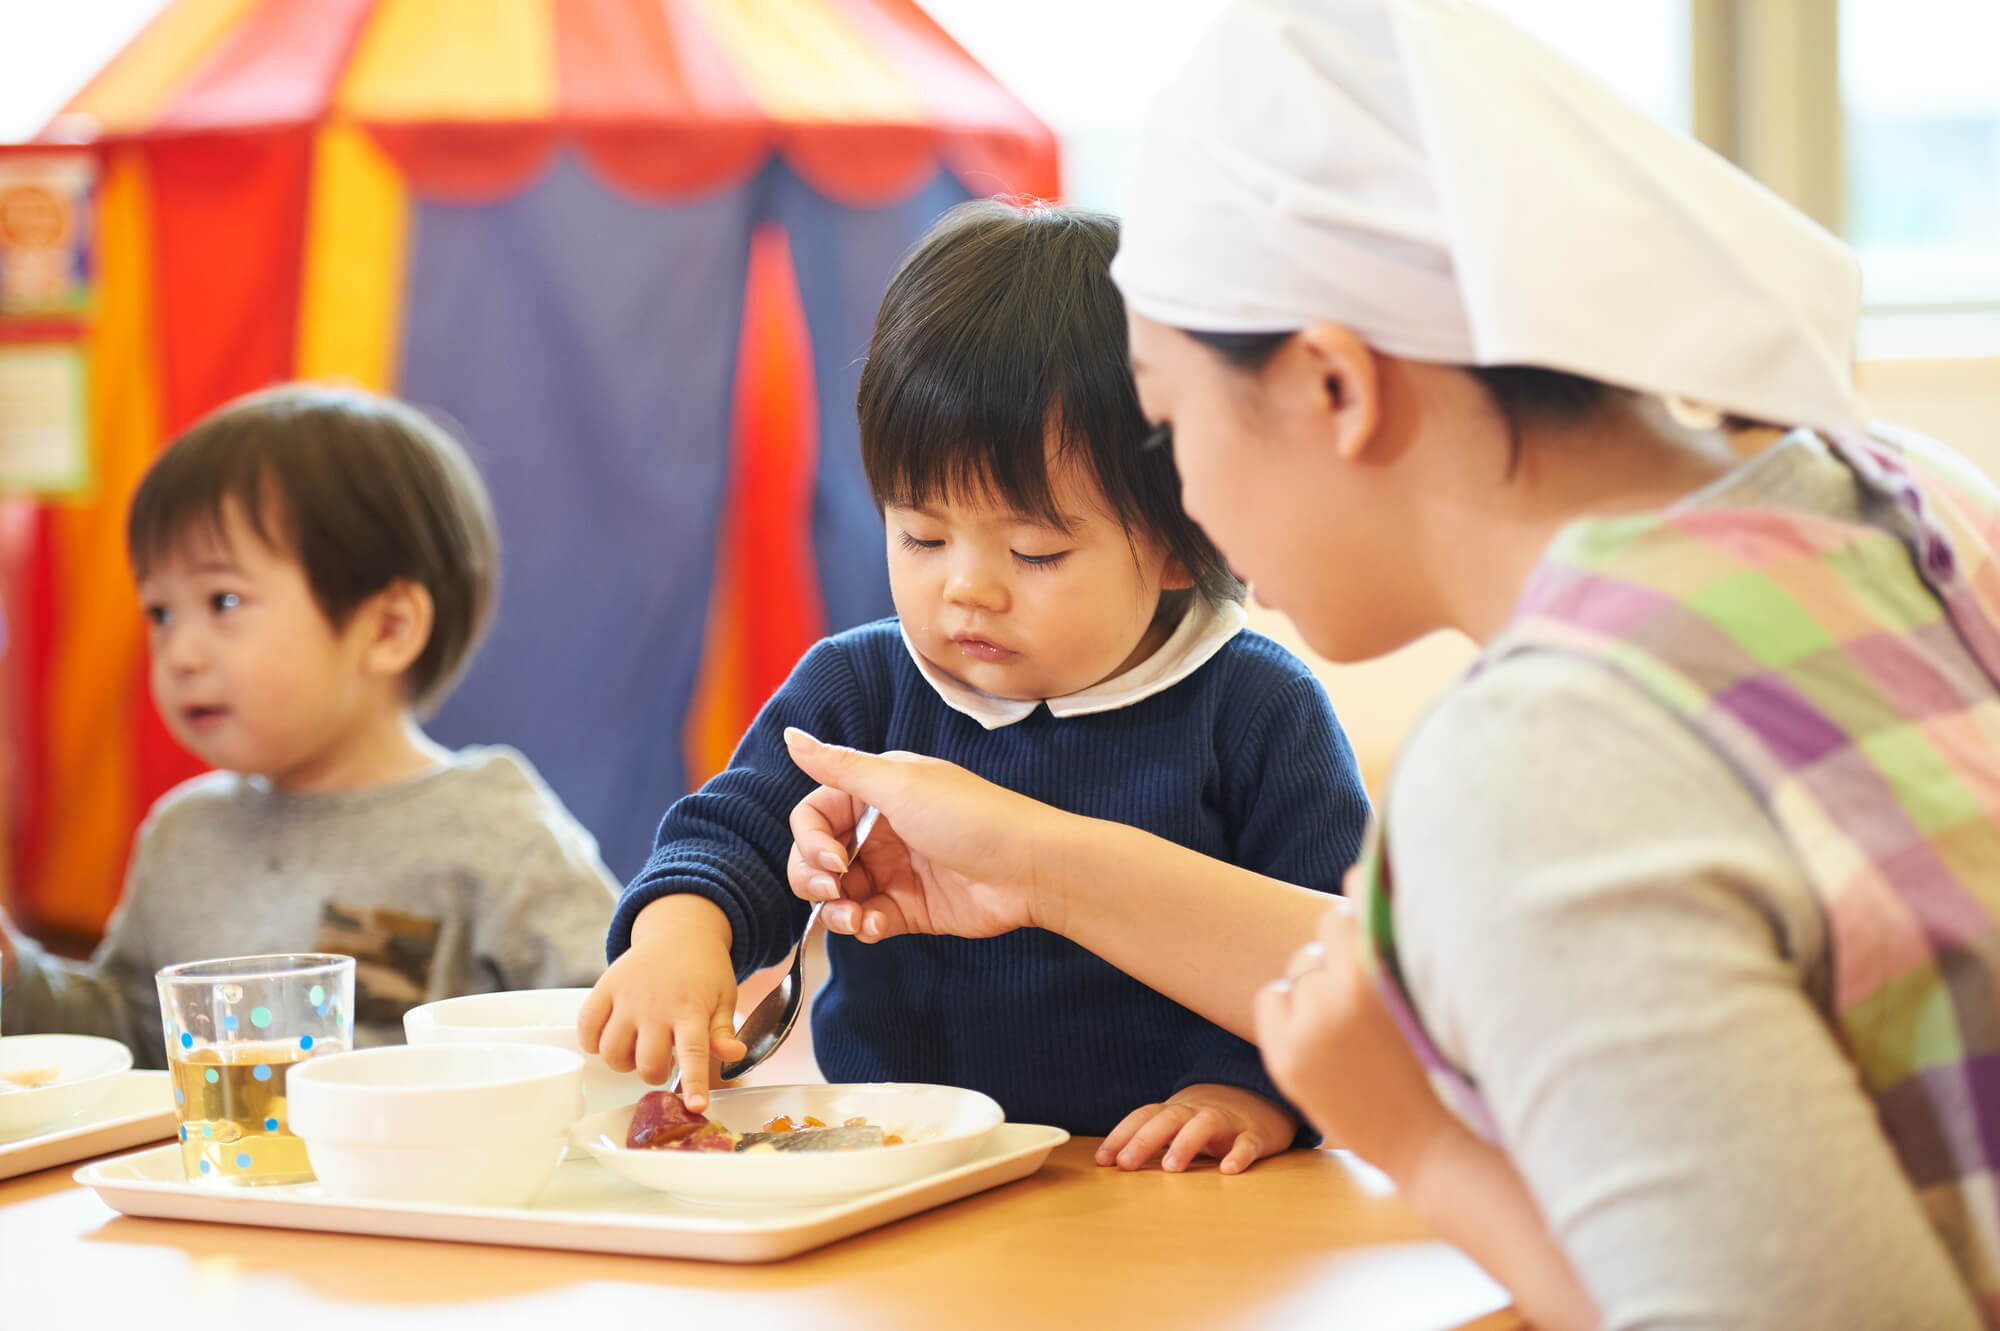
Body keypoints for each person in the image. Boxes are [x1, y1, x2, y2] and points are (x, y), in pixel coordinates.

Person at [774, 3, 2000, 1327]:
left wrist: (1420, 1144)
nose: (1177, 495)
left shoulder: (1546, 754)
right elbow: (1395, 964)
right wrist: (1035, 856)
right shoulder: (1894, 495)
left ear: (1335, 390)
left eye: (1169, 422)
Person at [580, 201, 1368, 1174]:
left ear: (1181, 538)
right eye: (920, 534)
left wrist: (1248, 1087)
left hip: (1148, 1174)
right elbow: (728, 835)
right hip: (900, 1158)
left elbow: (1328, 957)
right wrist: (679, 935)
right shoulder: (859, 686)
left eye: (1034, 549)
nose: (965, 585)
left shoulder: (1254, 710)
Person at [0, 385, 618, 1062]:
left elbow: (609, 1012)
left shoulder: (490, 824)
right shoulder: (184, 834)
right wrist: (13, 974)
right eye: (161, 612)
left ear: (388, 628)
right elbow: (131, 1037)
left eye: (224, 599)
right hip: (218, 1167)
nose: (180, 653)